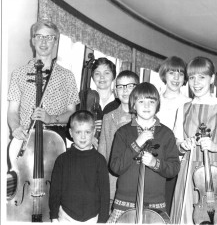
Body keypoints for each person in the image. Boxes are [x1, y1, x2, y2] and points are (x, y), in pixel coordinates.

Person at [170, 56, 217, 224]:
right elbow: (177, 144)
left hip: (215, 178)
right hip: (188, 177)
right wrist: (183, 145)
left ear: (212, 78)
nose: (196, 82)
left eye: (202, 77)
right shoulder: (183, 109)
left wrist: (216, 147)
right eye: (192, 77)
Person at [107, 82, 180, 223]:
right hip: (124, 203)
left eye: (151, 101)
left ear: (157, 105)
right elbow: (115, 167)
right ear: (133, 105)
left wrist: (155, 163)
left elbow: (174, 169)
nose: (146, 106)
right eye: (141, 101)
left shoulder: (166, 133)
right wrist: (137, 144)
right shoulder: (123, 133)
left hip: (155, 205)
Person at [7, 20, 79, 143]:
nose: (43, 42)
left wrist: (50, 118)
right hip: (26, 137)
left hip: (55, 139)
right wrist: (15, 128)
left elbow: (72, 113)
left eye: (49, 37)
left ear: (56, 42)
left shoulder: (67, 76)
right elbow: (13, 111)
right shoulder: (18, 74)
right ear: (33, 41)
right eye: (39, 36)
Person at [49, 110, 110, 223]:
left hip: (93, 218)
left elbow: (105, 194)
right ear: (71, 133)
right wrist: (54, 216)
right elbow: (55, 191)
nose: (83, 137)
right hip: (66, 216)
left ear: (94, 132)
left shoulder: (100, 160)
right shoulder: (62, 160)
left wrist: (102, 220)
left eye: (87, 132)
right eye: (78, 132)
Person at [98, 70, 139, 212]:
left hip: (135, 183)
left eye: (129, 86)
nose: (125, 90)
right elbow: (102, 151)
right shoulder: (108, 117)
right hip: (112, 182)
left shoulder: (144, 117)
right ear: (115, 91)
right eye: (120, 87)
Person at [156, 56, 191, 215]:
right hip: (153, 160)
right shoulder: (153, 100)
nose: (176, 78)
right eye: (172, 73)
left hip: (176, 163)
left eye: (181, 73)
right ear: (164, 74)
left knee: (171, 209)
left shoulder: (190, 103)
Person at [91, 57, 121, 134]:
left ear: (113, 76)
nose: (102, 77)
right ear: (93, 77)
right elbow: (71, 130)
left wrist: (108, 127)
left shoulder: (121, 104)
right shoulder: (84, 100)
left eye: (106, 73)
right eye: (97, 73)